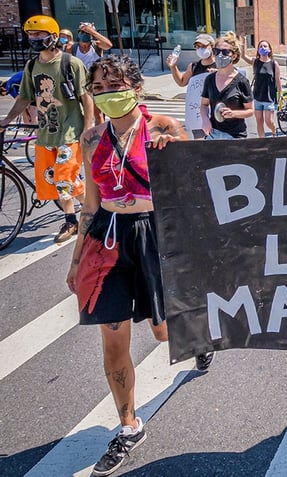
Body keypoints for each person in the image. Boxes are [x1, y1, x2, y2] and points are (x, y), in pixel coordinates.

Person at [66, 55, 211, 477]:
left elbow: (194, 189)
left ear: (135, 85)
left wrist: (175, 156)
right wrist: (78, 261)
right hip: (108, 238)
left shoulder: (165, 129)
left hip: (154, 233)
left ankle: (195, 340)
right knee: (113, 338)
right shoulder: (91, 138)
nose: (108, 92)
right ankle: (129, 425)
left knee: (163, 329)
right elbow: (90, 205)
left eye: (115, 83)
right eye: (100, 86)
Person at [0, 14, 93, 243]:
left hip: (70, 132)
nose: (34, 38)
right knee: (55, 180)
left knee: (63, 179)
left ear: (52, 37)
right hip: (45, 134)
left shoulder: (70, 63)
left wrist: (88, 129)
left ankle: (70, 221)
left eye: (39, 34)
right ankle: (92, 207)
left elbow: (86, 98)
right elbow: (24, 98)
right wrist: (6, 120)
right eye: (31, 34)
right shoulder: (32, 66)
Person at [200, 32, 254, 139]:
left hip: (234, 135)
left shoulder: (241, 81)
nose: (220, 55)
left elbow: (250, 110)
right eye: (216, 51)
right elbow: (204, 104)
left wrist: (233, 114)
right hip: (213, 133)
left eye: (225, 52)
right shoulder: (209, 79)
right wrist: (205, 120)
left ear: (233, 56)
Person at [242, 38, 282, 137]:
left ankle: (274, 131)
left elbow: (278, 80)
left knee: (269, 121)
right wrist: (243, 41)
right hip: (257, 96)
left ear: (269, 49)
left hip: (269, 97)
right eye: (261, 46)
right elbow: (243, 56)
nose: (263, 48)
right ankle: (262, 141)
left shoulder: (274, 64)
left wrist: (280, 96)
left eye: (265, 46)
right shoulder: (255, 62)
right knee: (259, 121)